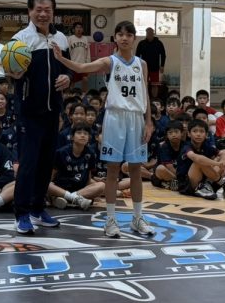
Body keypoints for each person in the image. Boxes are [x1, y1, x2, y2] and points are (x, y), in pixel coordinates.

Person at [54, 20, 154, 237]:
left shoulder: (142, 64)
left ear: (134, 38)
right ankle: (110, 220)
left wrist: (149, 121)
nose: (124, 38)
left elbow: (145, 92)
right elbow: (82, 68)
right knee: (113, 170)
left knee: (136, 170)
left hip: (136, 118)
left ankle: (138, 218)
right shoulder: (110, 61)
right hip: (115, 117)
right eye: (121, 34)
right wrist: (62, 59)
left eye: (129, 34)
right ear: (115, 38)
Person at [10, 0, 70, 235]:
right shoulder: (19, 40)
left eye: (48, 10)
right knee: (28, 164)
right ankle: (22, 213)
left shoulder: (61, 39)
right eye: (39, 9)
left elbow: (68, 67)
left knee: (46, 164)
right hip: (29, 112)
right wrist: (14, 73)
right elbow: (12, 73)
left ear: (53, 12)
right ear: (29, 12)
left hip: (53, 111)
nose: (43, 14)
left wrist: (68, 77)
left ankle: (37, 209)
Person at [135, 27, 166, 98]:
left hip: (155, 68)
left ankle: (154, 99)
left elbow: (163, 55)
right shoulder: (141, 43)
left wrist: (162, 65)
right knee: (144, 84)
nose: (149, 34)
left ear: (153, 33)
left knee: (154, 85)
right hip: (144, 68)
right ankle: (144, 98)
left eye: (150, 33)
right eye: (148, 33)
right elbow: (137, 56)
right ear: (146, 34)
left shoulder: (159, 43)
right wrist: (137, 66)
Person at [65, 22, 90, 92]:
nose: (79, 29)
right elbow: (67, 52)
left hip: (83, 64)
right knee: (71, 82)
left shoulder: (85, 39)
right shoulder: (70, 39)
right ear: (74, 29)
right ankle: (69, 95)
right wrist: (67, 64)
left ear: (82, 30)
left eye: (80, 27)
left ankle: (84, 95)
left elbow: (88, 52)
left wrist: (88, 63)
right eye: (77, 27)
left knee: (85, 79)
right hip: (73, 64)